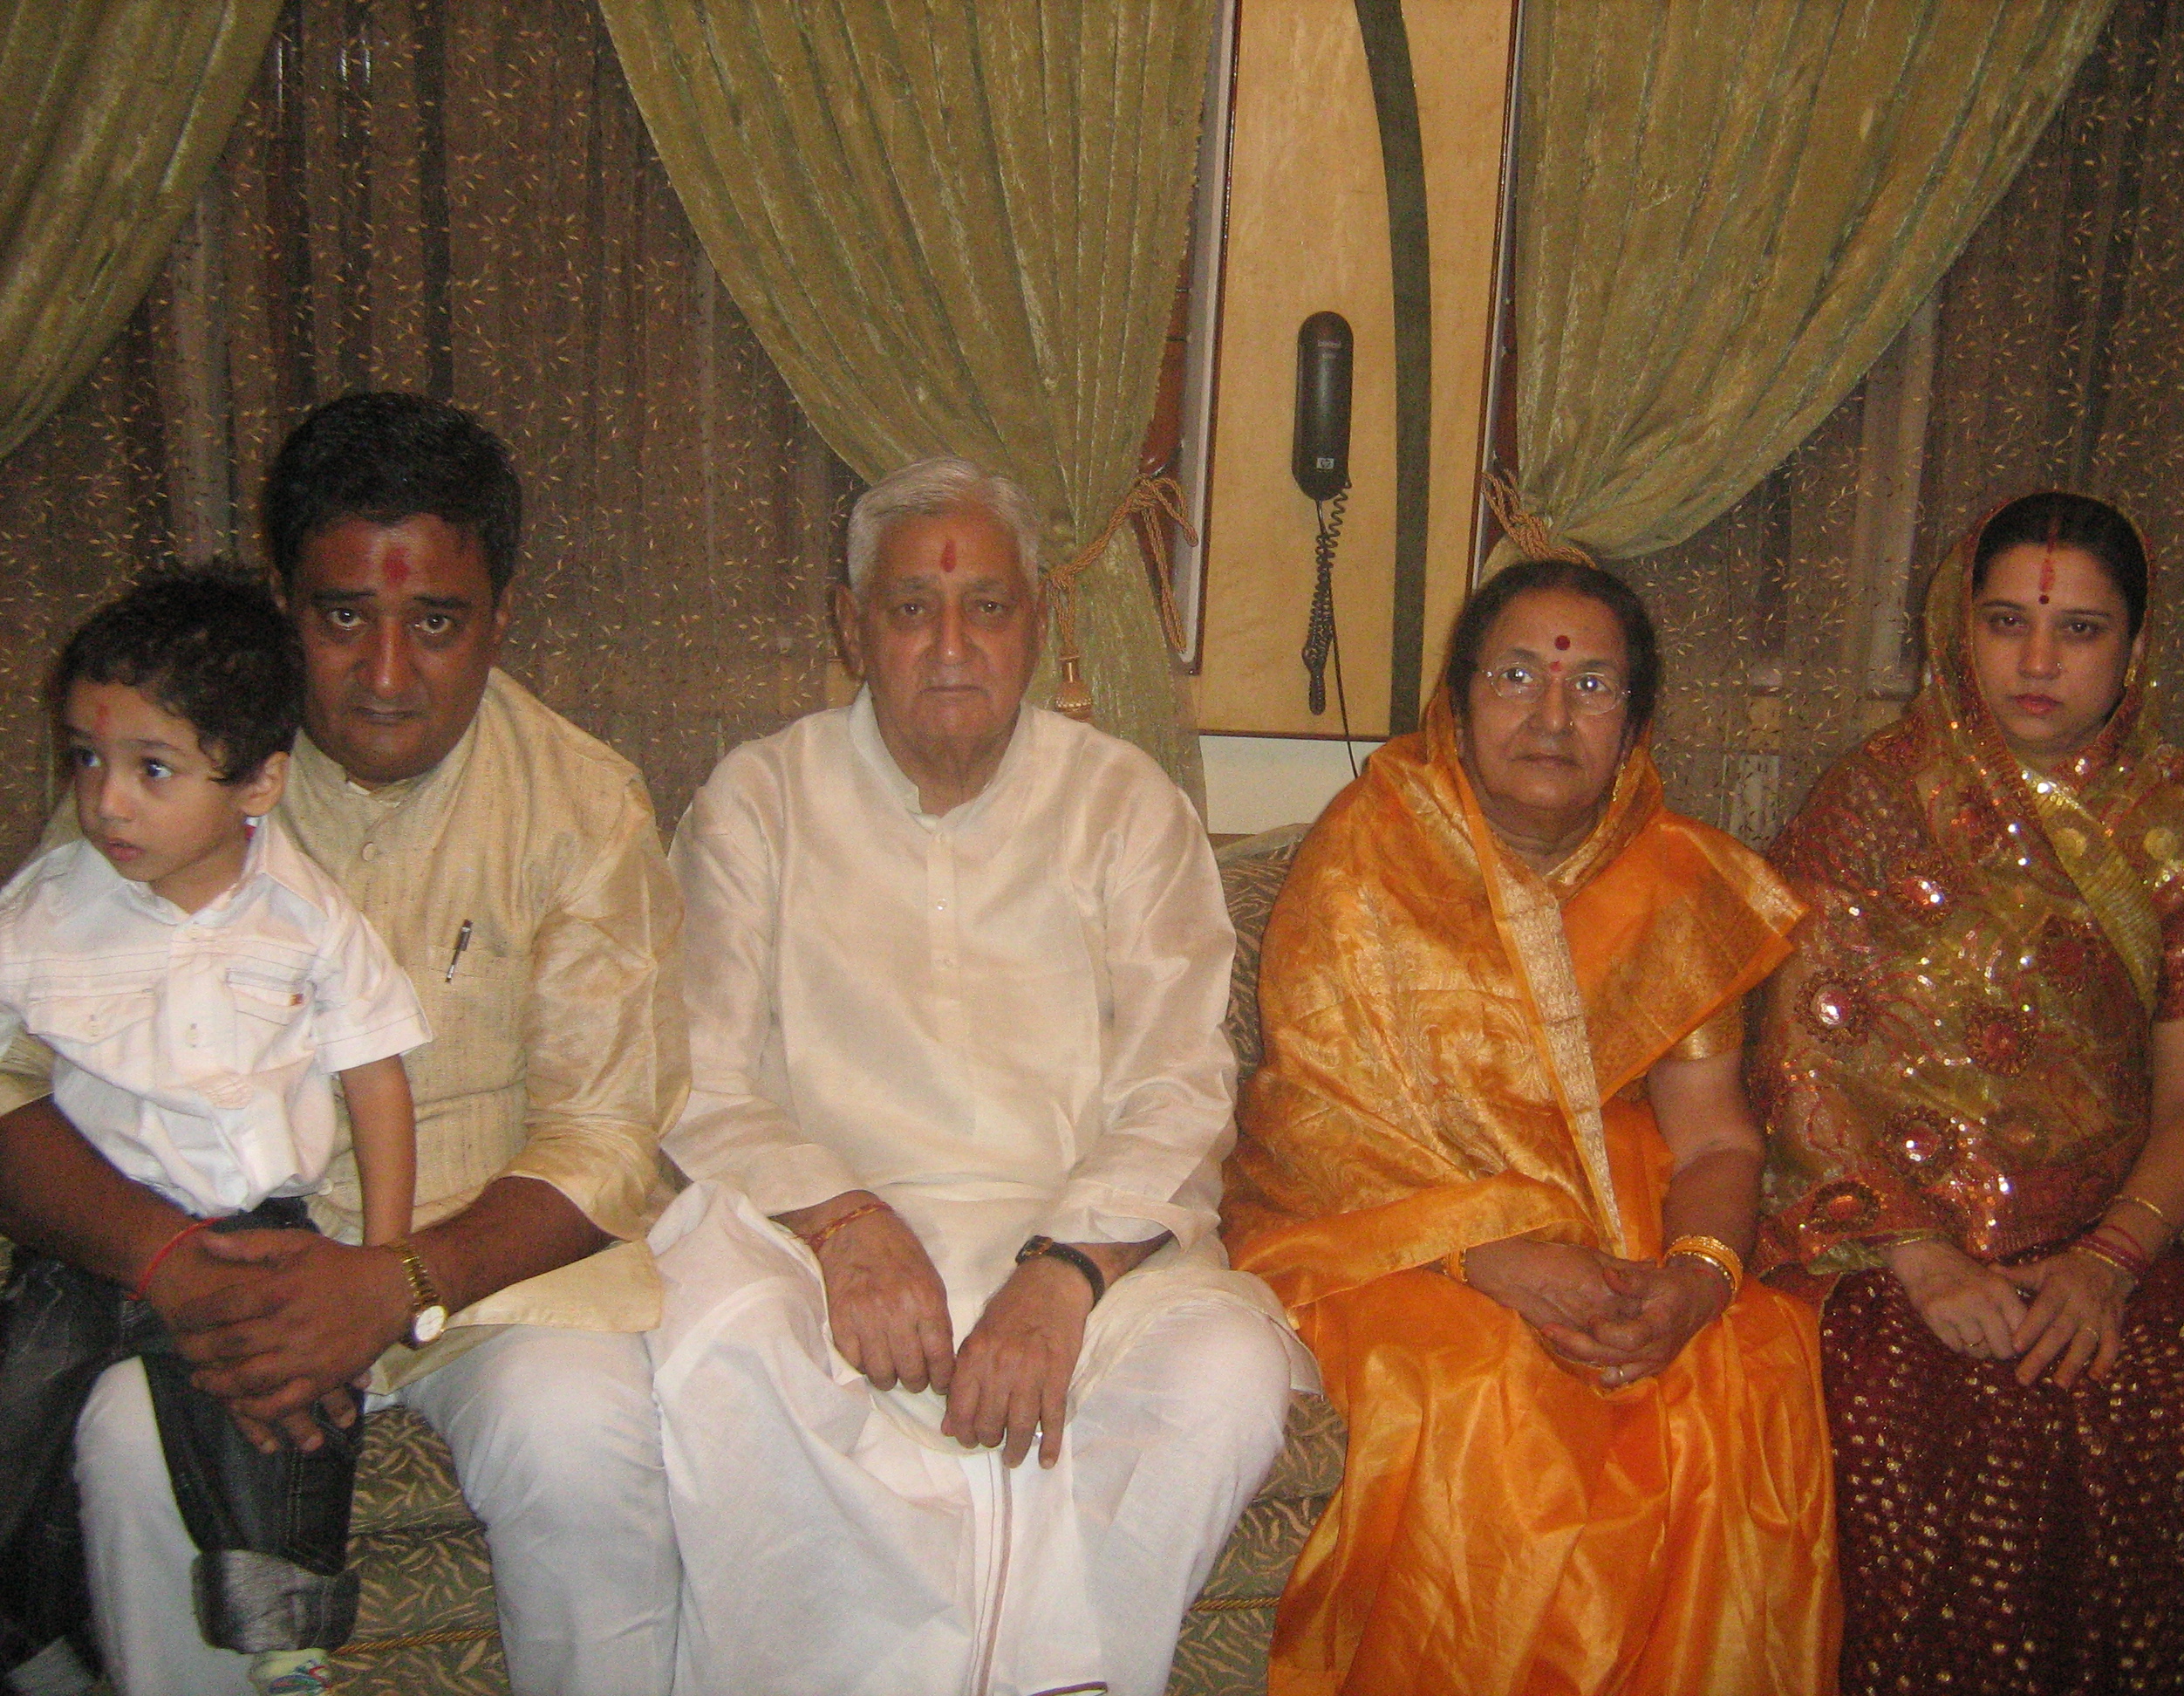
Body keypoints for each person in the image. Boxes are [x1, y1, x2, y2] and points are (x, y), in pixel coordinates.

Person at [0, 393, 688, 1696]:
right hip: (201, 1275)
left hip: (487, 1283)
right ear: (282, 606)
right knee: (128, 1443)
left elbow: (606, 1135)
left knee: (580, 1437)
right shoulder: (158, 776)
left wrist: (394, 1279)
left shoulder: (582, 801)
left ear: (499, 618)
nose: (384, 674)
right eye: (340, 616)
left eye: (435, 621)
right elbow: (8, 1078)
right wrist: (172, 1266)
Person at [652, 455, 1307, 1696]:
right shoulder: (758, 802)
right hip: (823, 1252)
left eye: (988, 607)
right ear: (851, 628)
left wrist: (1065, 1272)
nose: (952, 644)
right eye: (910, 609)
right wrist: (843, 1221)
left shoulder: (1125, 805)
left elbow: (1179, 1084)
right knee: (705, 1307)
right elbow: (697, 1078)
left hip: (1089, 1260)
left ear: (1038, 623)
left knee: (1227, 1372)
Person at [1225, 558, 1839, 1696]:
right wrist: (1489, 1255)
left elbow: (1713, 1139)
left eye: (1593, 686)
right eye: (1516, 676)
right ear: (1457, 706)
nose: (1552, 714)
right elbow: (1315, 1133)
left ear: (1636, 723)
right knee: (1487, 1396)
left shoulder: (1675, 881)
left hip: (1619, 1206)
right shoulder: (1368, 857)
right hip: (1385, 1234)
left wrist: (1700, 1277)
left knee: (1750, 1368)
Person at [1753, 491, 2184, 1693]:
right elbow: (1799, 1066)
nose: (2038, 661)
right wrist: (1923, 1258)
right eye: (2005, 622)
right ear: (1956, 633)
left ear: (2136, 651)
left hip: (2098, 1242)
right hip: (1884, 1243)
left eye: (2080, 630)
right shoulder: (1870, 802)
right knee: (1888, 1434)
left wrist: (2110, 1264)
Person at [0, 565, 427, 1696]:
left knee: (280, 1410)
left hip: (254, 1232)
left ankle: (286, 1642)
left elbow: (377, 1084)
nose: (108, 803)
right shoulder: (48, 904)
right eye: (87, 758)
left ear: (259, 783)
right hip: (95, 1243)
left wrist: (381, 1265)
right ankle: (30, 1642)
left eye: (152, 769)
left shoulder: (310, 917)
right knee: (14, 1402)